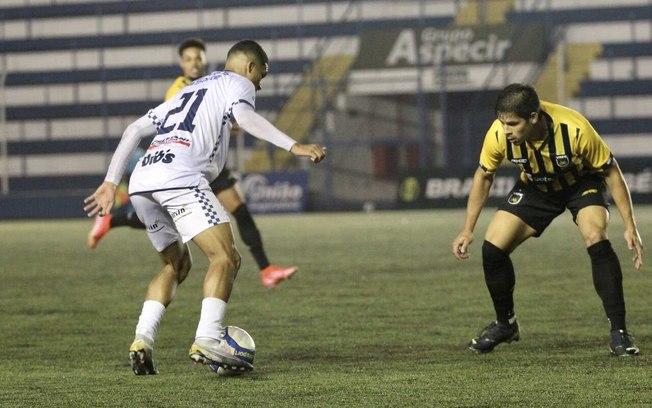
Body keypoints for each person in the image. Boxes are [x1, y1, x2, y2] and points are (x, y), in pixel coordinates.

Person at [83, 39, 326, 375]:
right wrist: (294, 145)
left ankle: (143, 339)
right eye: (260, 77)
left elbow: (135, 129)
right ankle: (208, 338)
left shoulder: (189, 89)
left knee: (175, 266)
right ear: (251, 67)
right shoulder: (239, 82)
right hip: (180, 177)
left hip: (142, 181)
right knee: (226, 257)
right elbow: (244, 114)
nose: (258, 85)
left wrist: (112, 182)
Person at [88, 37, 299, 288]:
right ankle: (114, 220)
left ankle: (266, 269)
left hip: (207, 159)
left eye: (199, 58)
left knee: (238, 210)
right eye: (189, 59)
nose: (195, 63)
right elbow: (185, 122)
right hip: (188, 163)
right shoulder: (180, 88)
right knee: (188, 228)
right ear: (181, 63)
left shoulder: (210, 82)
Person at [451, 83, 643, 357]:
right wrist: (467, 229)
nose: (506, 130)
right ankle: (506, 325)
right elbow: (484, 176)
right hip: (536, 189)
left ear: (534, 117)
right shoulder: (498, 134)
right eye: (502, 123)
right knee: (492, 247)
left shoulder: (575, 128)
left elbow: (611, 171)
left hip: (580, 185)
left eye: (513, 124)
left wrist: (630, 225)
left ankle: (619, 333)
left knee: (595, 237)